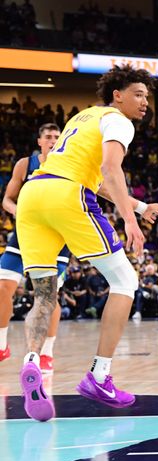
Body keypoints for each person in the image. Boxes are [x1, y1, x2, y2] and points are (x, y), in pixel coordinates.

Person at [15, 65, 158, 421]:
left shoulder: (82, 118)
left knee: (45, 294)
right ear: (118, 95)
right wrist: (130, 221)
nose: (145, 102)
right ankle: (99, 376)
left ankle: (31, 361)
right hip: (67, 197)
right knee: (125, 281)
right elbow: (112, 171)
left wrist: (139, 206)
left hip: (33, 196)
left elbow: (91, 176)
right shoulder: (118, 121)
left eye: (147, 96)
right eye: (138, 94)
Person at [0, 123, 69, 373]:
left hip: (56, 237)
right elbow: (7, 199)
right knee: (3, 287)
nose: (52, 140)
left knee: (49, 296)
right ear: (39, 141)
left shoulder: (71, 165)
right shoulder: (24, 164)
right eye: (48, 137)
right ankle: (1, 345)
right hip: (24, 235)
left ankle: (46, 353)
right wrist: (19, 210)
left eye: (57, 137)